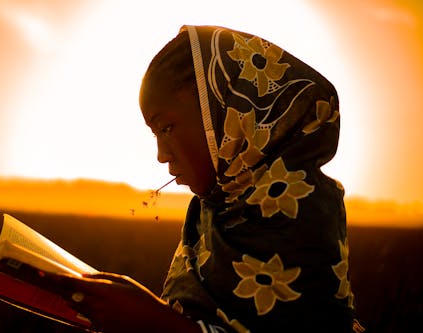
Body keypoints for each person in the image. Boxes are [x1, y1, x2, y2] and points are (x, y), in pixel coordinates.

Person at [59, 25, 362, 333]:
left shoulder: (301, 211)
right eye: (155, 133)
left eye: (166, 128)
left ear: (230, 117)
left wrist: (152, 322)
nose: (162, 155)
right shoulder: (212, 212)